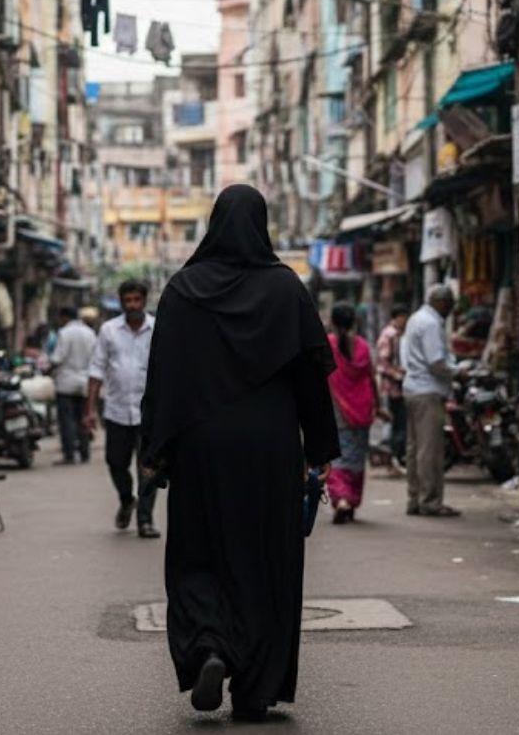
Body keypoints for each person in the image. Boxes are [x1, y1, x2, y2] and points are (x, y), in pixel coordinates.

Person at [140, 184, 339, 722]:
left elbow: (162, 379)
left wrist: (154, 450)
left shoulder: (182, 292)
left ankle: (209, 646)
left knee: (198, 555)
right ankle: (254, 688)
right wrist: (319, 449)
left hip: (203, 448)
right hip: (270, 447)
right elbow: (311, 376)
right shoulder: (285, 290)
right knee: (264, 560)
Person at [84, 280, 159, 538]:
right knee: (116, 463)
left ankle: (146, 520)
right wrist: (89, 410)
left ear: (144, 301)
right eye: (128, 301)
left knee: (148, 467)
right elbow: (96, 370)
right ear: (121, 302)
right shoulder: (108, 331)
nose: (133, 305)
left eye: (137, 300)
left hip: (149, 413)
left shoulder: (157, 329)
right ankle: (127, 499)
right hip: (116, 411)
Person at [401, 284, 461, 518]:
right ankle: (430, 501)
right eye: (450, 305)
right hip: (427, 390)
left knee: (415, 448)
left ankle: (415, 498)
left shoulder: (416, 318)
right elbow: (436, 362)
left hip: (413, 388)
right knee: (430, 450)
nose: (450, 310)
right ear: (442, 303)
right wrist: (458, 372)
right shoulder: (432, 323)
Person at [324, 303, 383, 524]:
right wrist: (379, 405)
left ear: (333, 321)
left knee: (337, 456)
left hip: (337, 409)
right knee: (356, 458)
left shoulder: (327, 344)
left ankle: (342, 499)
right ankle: (351, 500)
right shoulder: (363, 346)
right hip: (363, 408)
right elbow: (371, 378)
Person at [48, 306, 97, 464]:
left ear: (64, 317)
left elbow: (58, 357)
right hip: (84, 382)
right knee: (82, 418)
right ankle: (84, 453)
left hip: (66, 383)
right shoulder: (90, 333)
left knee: (66, 421)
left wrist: (48, 370)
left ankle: (69, 455)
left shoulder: (64, 333)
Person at [375, 304, 411, 474]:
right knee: (396, 425)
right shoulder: (389, 335)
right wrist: (398, 374)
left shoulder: (399, 335)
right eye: (404, 317)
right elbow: (382, 364)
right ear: (398, 317)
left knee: (398, 425)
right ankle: (392, 460)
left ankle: (393, 460)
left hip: (399, 388)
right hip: (393, 389)